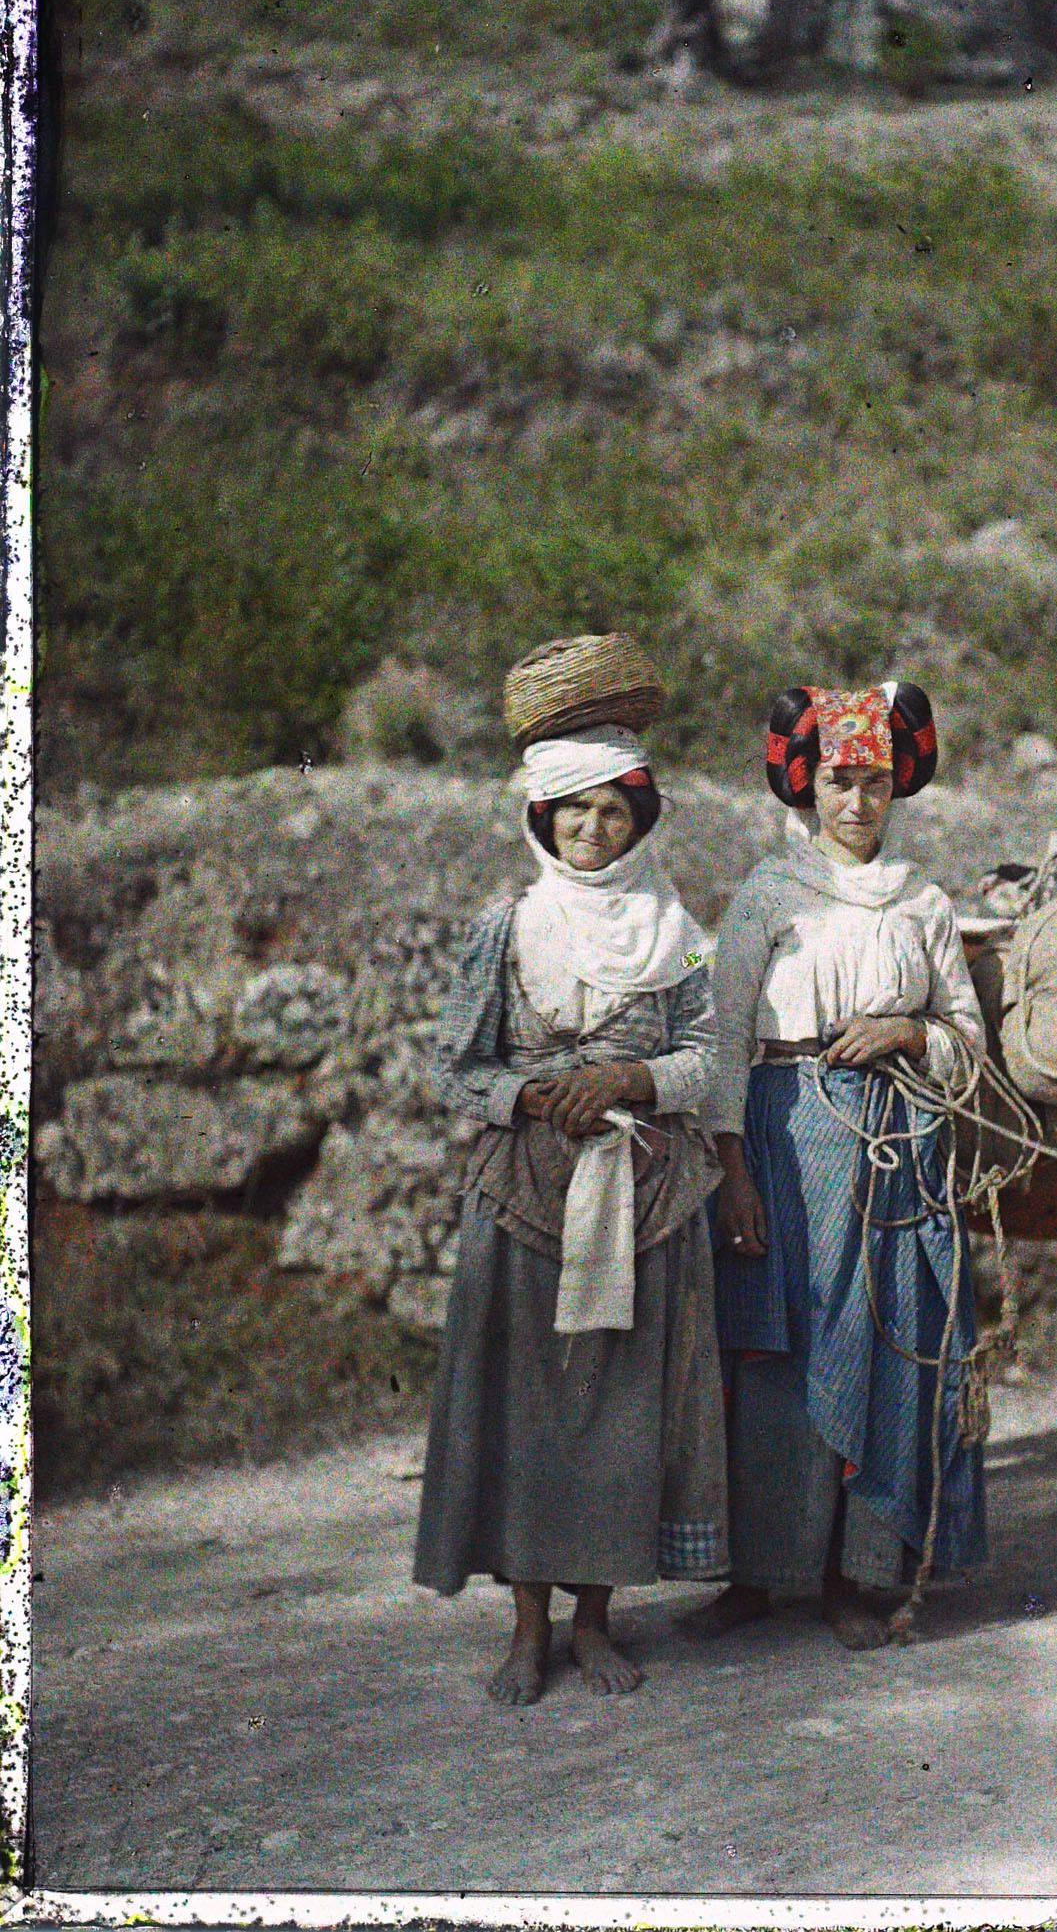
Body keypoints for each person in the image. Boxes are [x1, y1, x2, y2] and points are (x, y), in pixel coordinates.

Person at [413, 715, 728, 1705]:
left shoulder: (677, 936)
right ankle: (524, 1626)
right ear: (542, 819)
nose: (593, 829)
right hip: (529, 1193)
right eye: (576, 810)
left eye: (614, 811)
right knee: (528, 1410)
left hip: (645, 1193)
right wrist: (532, 1096)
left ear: (640, 824)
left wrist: (635, 1074)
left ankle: (594, 1622)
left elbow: (708, 1056)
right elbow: (456, 1069)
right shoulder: (504, 928)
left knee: (619, 1412)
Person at [688, 683, 989, 1653]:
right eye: (836, 781)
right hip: (782, 1139)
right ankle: (763, 1566)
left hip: (896, 1144)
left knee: (890, 1345)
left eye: (872, 781)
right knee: (779, 1352)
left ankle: (861, 1570)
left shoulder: (922, 901)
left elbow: (968, 1039)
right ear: (807, 785)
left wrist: (909, 1027)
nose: (854, 801)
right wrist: (731, 1169)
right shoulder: (768, 896)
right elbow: (724, 1039)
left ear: (897, 786)